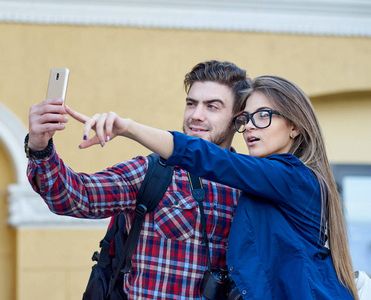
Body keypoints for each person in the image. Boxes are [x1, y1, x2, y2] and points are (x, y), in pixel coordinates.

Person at [74, 75, 359, 299]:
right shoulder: (265, 182)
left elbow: (214, 160)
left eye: (263, 116)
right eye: (245, 119)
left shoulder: (295, 178)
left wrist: (129, 128)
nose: (248, 127)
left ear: (295, 127)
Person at [25, 60, 251, 298]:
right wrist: (40, 147)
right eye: (191, 104)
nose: (196, 115)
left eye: (212, 107)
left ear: (239, 119)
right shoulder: (152, 173)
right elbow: (75, 197)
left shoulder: (251, 185)